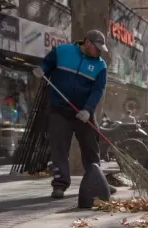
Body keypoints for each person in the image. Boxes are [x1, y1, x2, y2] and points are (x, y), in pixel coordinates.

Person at [32, 29, 110, 199]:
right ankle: (59, 185)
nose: (100, 51)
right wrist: (41, 70)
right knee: (59, 149)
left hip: (83, 113)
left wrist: (88, 110)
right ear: (87, 42)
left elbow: (98, 90)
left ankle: (96, 180)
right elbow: (47, 64)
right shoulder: (63, 51)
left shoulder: (100, 65)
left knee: (91, 148)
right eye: (97, 47)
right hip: (59, 110)